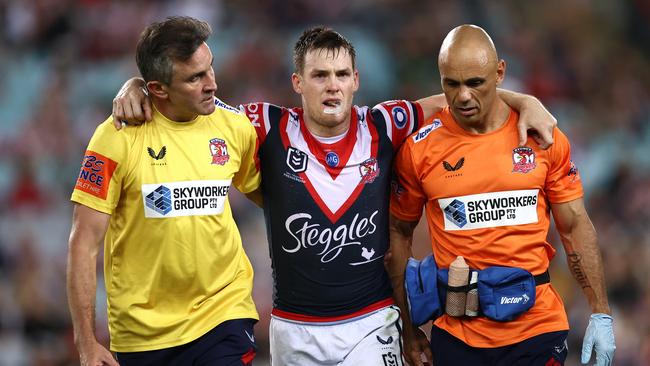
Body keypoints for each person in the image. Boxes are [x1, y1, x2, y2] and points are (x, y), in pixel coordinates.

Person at [112, 26, 557, 365]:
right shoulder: (263, 126)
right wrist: (136, 87)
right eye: (320, 75)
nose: (332, 85)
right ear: (297, 83)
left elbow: (457, 98)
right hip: (294, 328)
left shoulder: (385, 124)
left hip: (371, 322)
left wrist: (523, 100)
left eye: (342, 74)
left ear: (356, 80)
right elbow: (191, 99)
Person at [387, 24, 616, 366]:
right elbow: (398, 234)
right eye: (451, 83)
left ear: (500, 72)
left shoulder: (543, 138)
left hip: (537, 330)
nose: (463, 95)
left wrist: (600, 312)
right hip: (458, 335)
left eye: (475, 83)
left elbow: (574, 225)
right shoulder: (419, 148)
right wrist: (407, 327)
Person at [67, 16, 260, 366]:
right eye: (195, 78)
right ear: (157, 88)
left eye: (210, 68)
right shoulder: (116, 137)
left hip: (222, 315)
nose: (212, 84)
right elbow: (83, 242)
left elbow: (273, 195)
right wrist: (86, 342)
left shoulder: (234, 127)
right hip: (142, 334)